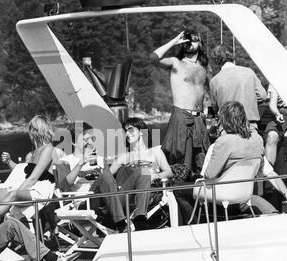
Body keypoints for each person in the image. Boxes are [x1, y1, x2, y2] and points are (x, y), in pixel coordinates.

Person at [0, 115, 64, 226]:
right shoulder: (31, 154)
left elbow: (33, 178)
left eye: (32, 129)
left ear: (38, 131)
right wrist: (9, 162)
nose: (31, 133)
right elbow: (22, 174)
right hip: (26, 189)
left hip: (39, 191)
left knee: (13, 194)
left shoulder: (48, 149)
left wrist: (16, 191)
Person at [56, 122, 134, 232]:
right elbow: (63, 187)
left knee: (134, 171)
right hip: (86, 202)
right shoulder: (65, 161)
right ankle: (120, 222)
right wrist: (80, 164)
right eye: (85, 140)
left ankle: (142, 218)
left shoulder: (101, 159)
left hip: (108, 199)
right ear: (73, 142)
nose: (90, 143)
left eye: (92, 138)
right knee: (105, 176)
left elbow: (111, 182)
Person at [150, 29, 210, 170]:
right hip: (181, 117)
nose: (189, 42)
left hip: (199, 119)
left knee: (200, 162)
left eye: (193, 39)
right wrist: (175, 41)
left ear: (200, 44)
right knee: (180, 160)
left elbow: (204, 93)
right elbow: (153, 58)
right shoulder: (176, 63)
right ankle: (176, 189)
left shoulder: (202, 68)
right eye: (186, 40)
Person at [108, 118, 174, 230]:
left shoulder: (155, 152)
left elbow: (169, 172)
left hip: (150, 192)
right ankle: (139, 219)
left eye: (130, 130)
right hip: (128, 195)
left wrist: (154, 176)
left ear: (141, 131)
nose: (127, 133)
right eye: (125, 131)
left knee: (144, 173)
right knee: (142, 173)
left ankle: (140, 217)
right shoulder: (124, 157)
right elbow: (107, 176)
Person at [210, 44, 267, 129]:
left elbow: (215, 107)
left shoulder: (214, 81)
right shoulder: (249, 72)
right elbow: (263, 96)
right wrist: (250, 100)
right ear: (232, 56)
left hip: (227, 127)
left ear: (216, 60)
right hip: (249, 125)